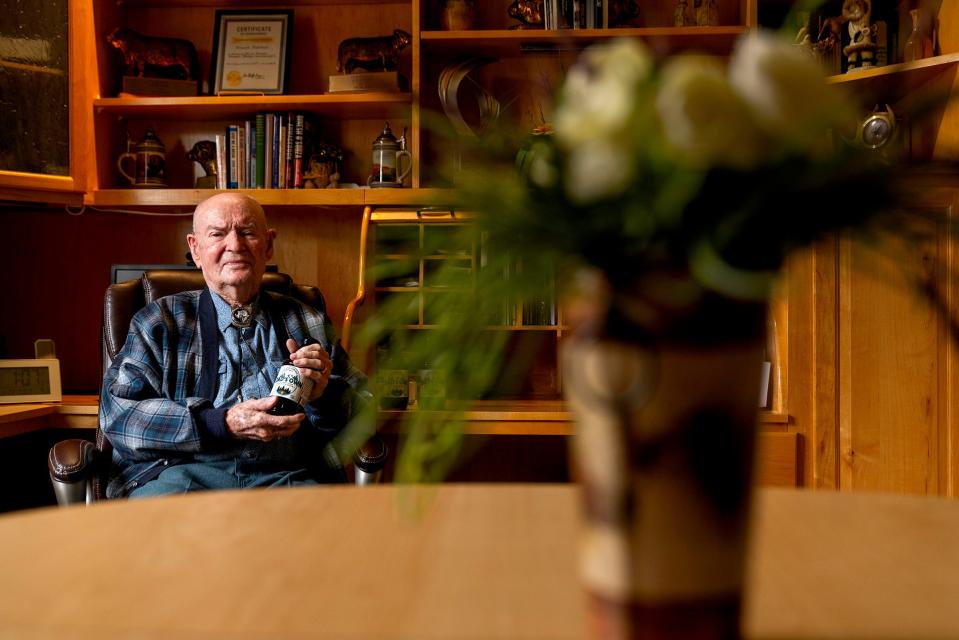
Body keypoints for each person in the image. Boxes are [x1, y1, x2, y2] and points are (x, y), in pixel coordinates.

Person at [100, 192, 370, 498]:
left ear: (267, 245)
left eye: (248, 232)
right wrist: (220, 422)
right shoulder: (158, 321)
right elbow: (119, 415)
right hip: (180, 477)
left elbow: (364, 411)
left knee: (335, 535)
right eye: (217, 234)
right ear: (195, 249)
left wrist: (324, 396)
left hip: (287, 479)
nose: (235, 245)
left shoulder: (307, 322)